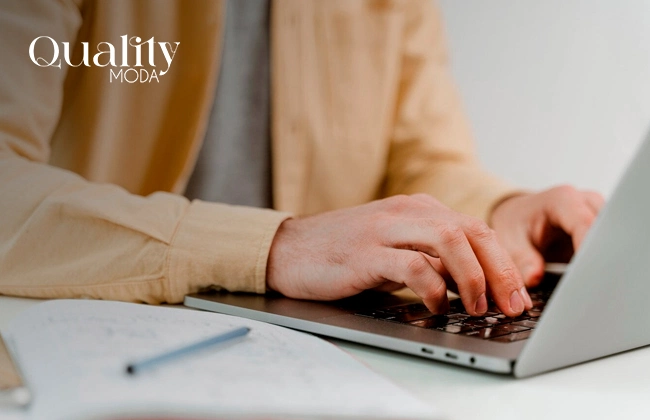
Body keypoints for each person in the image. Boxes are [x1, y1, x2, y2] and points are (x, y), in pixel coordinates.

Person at [0, 0, 603, 319]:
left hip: (327, 354)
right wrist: (277, 246)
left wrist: (498, 213)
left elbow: (421, 162)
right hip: (95, 340)